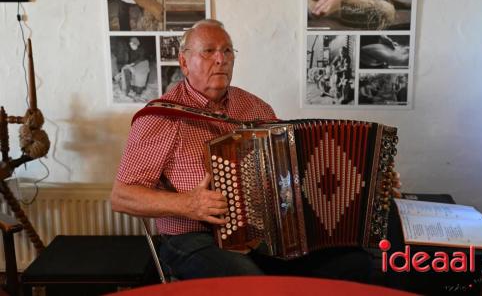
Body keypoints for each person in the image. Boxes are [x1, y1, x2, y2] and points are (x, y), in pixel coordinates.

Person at [111, 19, 373, 281]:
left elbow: (293, 165)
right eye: (208, 51)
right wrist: (188, 204)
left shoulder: (255, 108)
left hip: (264, 234)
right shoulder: (160, 117)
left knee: (358, 265)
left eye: (227, 51)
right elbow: (122, 196)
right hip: (193, 238)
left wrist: (369, 180)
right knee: (252, 286)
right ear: (184, 62)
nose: (220, 59)